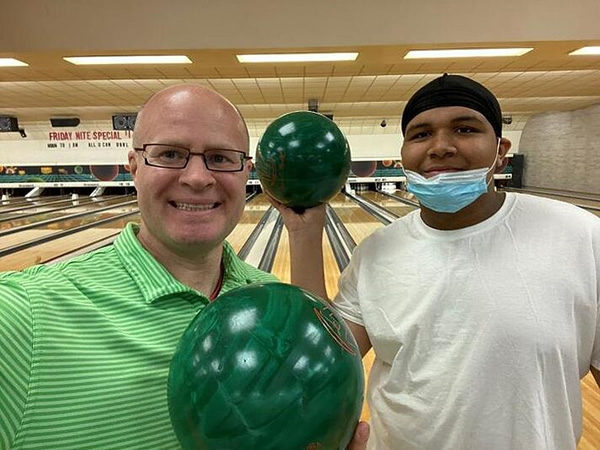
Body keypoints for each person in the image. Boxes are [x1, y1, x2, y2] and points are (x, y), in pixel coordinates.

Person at [0, 85, 369, 449]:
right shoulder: (20, 316)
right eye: (171, 154)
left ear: (247, 173)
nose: (197, 177)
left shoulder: (270, 300)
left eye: (221, 158)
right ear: (133, 167)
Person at [278, 74, 600, 449]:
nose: (441, 146)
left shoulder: (580, 236)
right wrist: (304, 232)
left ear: (501, 150)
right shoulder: (375, 252)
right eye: (420, 134)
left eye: (465, 129)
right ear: (403, 155)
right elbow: (323, 360)